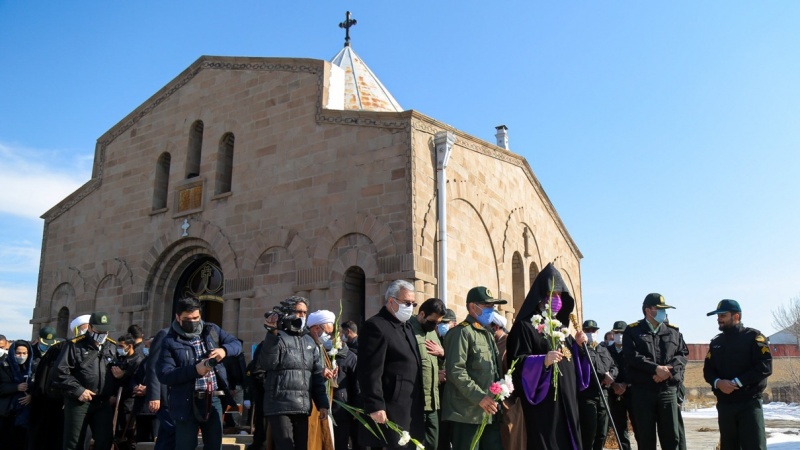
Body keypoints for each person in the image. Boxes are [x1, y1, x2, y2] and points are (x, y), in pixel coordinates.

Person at [506, 262, 590, 450]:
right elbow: (516, 364)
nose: (557, 299)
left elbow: (572, 362)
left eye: (560, 295)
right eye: (553, 295)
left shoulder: (561, 329)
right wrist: (541, 361)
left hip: (567, 400)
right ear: (541, 297)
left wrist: (578, 347)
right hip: (544, 405)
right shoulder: (525, 327)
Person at [157, 297, 243, 450]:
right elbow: (165, 374)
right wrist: (195, 370)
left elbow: (237, 344)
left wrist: (224, 350)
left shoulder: (211, 330)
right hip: (186, 400)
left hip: (213, 398)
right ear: (178, 317)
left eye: (196, 318)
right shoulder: (170, 340)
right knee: (186, 445)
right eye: (187, 319)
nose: (193, 322)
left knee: (214, 445)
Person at [357, 279, 424, 449]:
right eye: (407, 303)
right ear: (392, 301)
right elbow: (369, 370)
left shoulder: (407, 327)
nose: (410, 307)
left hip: (411, 405)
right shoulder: (376, 326)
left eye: (413, 303)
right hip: (391, 407)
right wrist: (375, 405)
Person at [259, 298, 330, 450]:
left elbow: (317, 376)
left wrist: (323, 404)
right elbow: (266, 364)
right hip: (279, 405)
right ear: (288, 313)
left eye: (304, 312)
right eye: (298, 311)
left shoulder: (309, 341)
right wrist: (271, 333)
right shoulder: (277, 336)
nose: (302, 316)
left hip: (302, 406)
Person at [442, 286, 506, 450]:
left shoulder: (486, 333)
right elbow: (456, 371)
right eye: (487, 306)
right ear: (472, 307)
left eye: (493, 306)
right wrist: (480, 397)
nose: (492, 310)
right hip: (467, 414)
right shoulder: (462, 332)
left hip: (489, 411)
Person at [703, 299, 772, 450]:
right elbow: (708, 371)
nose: (719, 319)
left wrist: (737, 382)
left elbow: (764, 367)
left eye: (723, 315)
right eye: (718, 316)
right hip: (725, 405)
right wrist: (718, 382)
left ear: (736, 316)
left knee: (754, 446)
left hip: (749, 404)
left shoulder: (754, 338)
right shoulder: (716, 342)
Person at [623, 293, 688, 450]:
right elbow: (632, 357)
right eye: (659, 309)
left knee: (672, 438)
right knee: (645, 438)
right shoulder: (632, 331)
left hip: (667, 391)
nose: (663, 312)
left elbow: (682, 354)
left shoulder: (673, 332)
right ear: (647, 310)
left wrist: (667, 370)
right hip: (643, 392)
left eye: (664, 309)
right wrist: (655, 369)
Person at [54, 311, 121, 450]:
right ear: (90, 328)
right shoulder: (74, 345)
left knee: (104, 441)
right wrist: (79, 390)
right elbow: (60, 372)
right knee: (74, 443)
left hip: (103, 401)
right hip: (79, 401)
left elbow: (116, 371)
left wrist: (120, 377)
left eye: (106, 330)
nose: (103, 333)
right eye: (99, 330)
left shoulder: (111, 346)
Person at [410, 297, 446, 450]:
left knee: (433, 443)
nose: (435, 325)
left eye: (438, 323)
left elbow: (439, 366)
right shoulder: (407, 329)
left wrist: (443, 354)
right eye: (432, 321)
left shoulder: (432, 333)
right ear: (422, 314)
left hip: (432, 401)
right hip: (414, 402)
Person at [577, 319, 617, 450]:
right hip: (588, 395)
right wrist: (603, 375)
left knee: (602, 432)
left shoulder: (602, 348)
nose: (590, 333)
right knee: (590, 432)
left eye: (593, 331)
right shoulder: (581, 349)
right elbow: (588, 367)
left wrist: (611, 375)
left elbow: (613, 365)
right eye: (587, 331)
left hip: (603, 394)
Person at [307, 310, 337, 450]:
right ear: (316, 328)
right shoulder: (306, 344)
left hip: (321, 401)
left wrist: (331, 371)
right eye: (327, 332)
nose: (329, 336)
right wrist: (320, 371)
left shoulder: (320, 346)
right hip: (309, 402)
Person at [0, 340, 36, 449]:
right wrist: (15, 387)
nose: (21, 356)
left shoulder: (33, 367)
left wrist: (31, 396)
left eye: (25, 353)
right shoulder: (3, 366)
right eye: (18, 353)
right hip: (6, 412)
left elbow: (39, 386)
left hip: (25, 414)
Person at [606, 320, 633, 450]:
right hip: (614, 393)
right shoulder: (606, 350)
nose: (619, 336)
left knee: (638, 427)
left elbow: (637, 369)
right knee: (620, 427)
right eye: (616, 333)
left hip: (631, 392)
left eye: (622, 333)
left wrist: (625, 384)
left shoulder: (633, 349)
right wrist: (614, 385)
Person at [436, 307, 457, 450]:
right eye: (439, 323)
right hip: (440, 394)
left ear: (454, 324)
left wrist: (444, 353)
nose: (441, 326)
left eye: (445, 322)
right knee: (441, 435)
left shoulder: (459, 338)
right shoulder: (435, 339)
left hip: (456, 396)